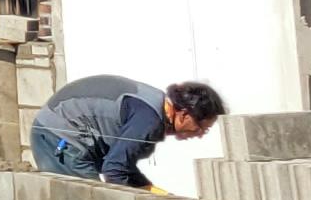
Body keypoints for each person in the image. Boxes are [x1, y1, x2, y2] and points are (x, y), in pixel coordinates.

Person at [29, 74, 225, 186]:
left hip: (58, 133)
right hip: (59, 138)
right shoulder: (150, 120)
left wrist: (148, 189)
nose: (199, 135)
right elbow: (114, 169)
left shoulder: (154, 107)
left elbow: (123, 164)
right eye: (201, 127)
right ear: (184, 114)